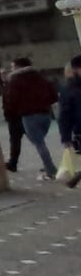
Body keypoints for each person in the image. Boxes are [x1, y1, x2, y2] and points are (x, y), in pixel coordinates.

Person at [3, 57, 59, 178]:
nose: (11, 69)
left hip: (29, 116)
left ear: (18, 67)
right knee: (40, 142)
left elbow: (11, 100)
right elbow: (54, 96)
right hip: (45, 115)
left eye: (13, 67)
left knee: (39, 143)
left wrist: (14, 111)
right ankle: (47, 164)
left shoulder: (15, 80)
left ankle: (51, 170)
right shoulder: (41, 78)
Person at [57, 55, 81, 190]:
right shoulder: (69, 89)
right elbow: (64, 116)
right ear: (76, 70)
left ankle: (77, 178)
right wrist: (65, 137)